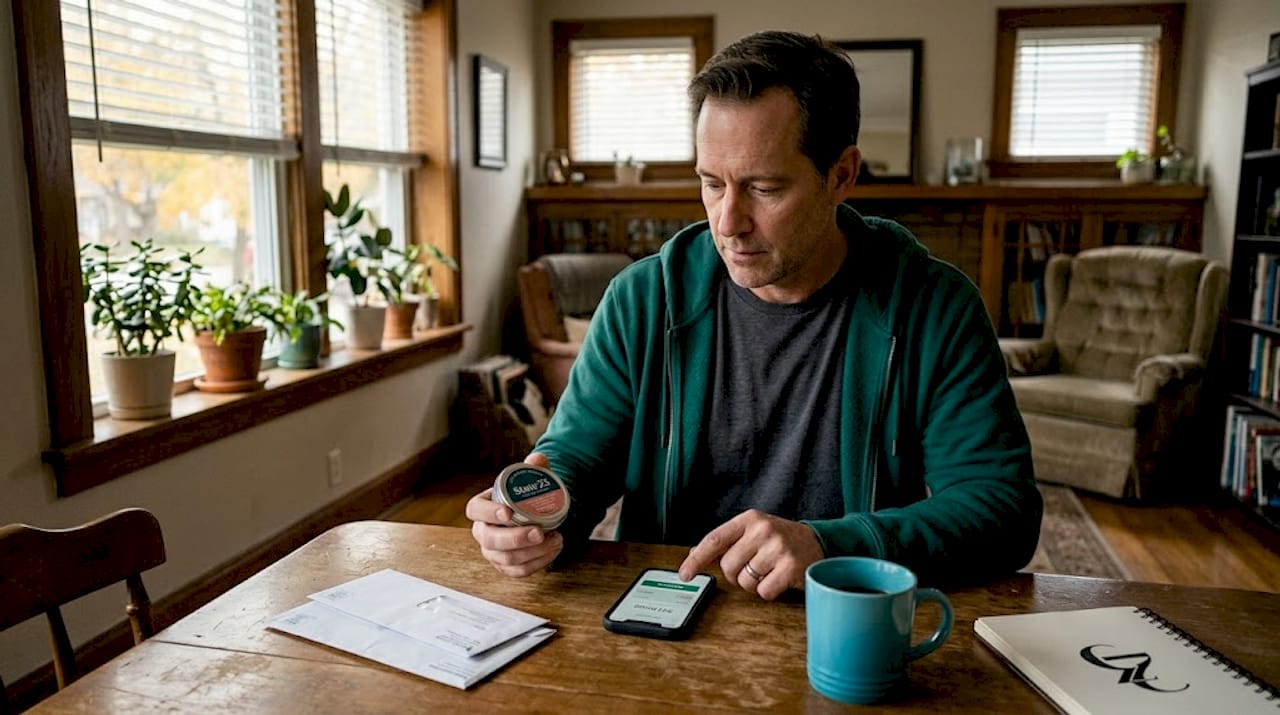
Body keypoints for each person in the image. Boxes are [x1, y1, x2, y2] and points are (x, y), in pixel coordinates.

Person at [468, 30, 1042, 600]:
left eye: (763, 188)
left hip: (848, 618)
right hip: (666, 613)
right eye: (711, 183)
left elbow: (1001, 509)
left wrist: (830, 545)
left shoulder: (935, 307)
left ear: (841, 175)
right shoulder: (641, 301)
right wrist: (536, 519)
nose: (727, 221)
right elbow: (576, 462)